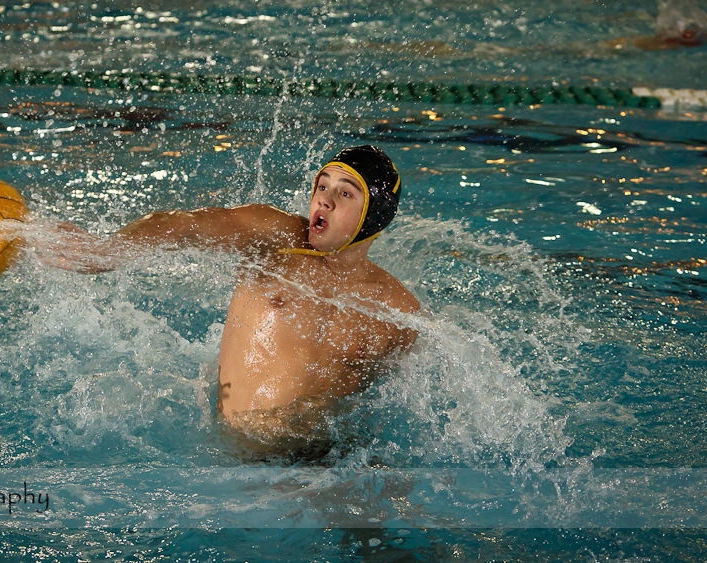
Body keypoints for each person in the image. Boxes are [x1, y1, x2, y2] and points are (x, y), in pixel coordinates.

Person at [39, 145, 421, 459]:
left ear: (375, 215)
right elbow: (185, 225)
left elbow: (393, 399)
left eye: (345, 192)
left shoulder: (397, 308)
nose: (325, 200)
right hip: (236, 453)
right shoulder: (276, 239)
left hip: (326, 458)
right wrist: (107, 251)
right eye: (322, 186)